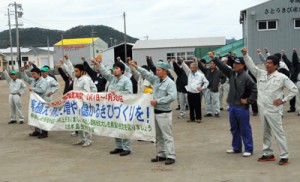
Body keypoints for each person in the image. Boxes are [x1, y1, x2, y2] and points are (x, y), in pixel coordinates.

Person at [242, 48, 298, 165]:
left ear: (276, 65)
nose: (267, 65)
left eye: (269, 63)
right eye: (266, 62)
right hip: (262, 108)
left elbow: (294, 89)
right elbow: (251, 65)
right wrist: (245, 54)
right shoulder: (260, 74)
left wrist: (283, 100)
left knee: (279, 133)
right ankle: (268, 153)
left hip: (274, 109)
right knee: (265, 132)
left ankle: (284, 155)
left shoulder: (281, 77)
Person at [129, 60, 177, 165]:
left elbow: (172, 96)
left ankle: (171, 155)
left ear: (164, 71)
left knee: (167, 135)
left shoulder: (170, 83)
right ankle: (161, 154)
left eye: (159, 70)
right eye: (156, 70)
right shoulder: (156, 80)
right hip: (154, 112)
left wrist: (158, 101)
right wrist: (136, 66)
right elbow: (145, 73)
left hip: (164, 113)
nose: (157, 72)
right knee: (158, 136)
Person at [212, 56, 257, 157]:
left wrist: (249, 100)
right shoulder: (232, 73)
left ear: (243, 65)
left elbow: (254, 89)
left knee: (245, 128)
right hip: (232, 105)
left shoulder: (246, 77)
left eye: (237, 64)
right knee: (234, 128)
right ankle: (236, 147)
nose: (235, 65)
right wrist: (214, 58)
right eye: (234, 63)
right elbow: (222, 66)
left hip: (242, 107)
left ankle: (249, 148)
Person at [93, 59, 133, 156]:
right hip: (113, 108)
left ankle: (127, 148)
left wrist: (118, 93)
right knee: (116, 127)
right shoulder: (113, 79)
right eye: (114, 68)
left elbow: (129, 93)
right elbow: (105, 74)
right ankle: (119, 147)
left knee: (124, 127)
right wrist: (98, 64)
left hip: (123, 108)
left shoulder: (126, 81)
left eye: (117, 68)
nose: (114, 70)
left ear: (122, 70)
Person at [21, 67, 49, 139]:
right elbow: (26, 79)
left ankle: (44, 132)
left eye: (34, 74)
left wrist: (32, 88)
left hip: (42, 101)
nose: (33, 76)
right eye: (32, 74)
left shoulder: (43, 81)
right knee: (36, 116)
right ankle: (37, 131)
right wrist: (23, 71)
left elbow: (42, 90)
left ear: (39, 74)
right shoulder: (33, 80)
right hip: (35, 102)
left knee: (42, 117)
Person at [198, 52, 226, 117]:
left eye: (213, 64)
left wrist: (221, 82)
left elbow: (224, 77)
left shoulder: (219, 72)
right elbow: (201, 67)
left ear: (215, 65)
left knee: (216, 101)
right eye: (211, 63)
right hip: (207, 88)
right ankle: (209, 112)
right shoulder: (207, 70)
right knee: (208, 101)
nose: (211, 65)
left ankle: (217, 112)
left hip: (215, 88)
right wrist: (198, 62)